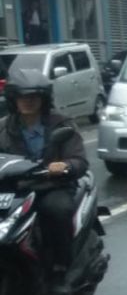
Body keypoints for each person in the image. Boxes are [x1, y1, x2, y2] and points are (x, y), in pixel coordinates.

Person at [0, 70, 88, 279]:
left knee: (55, 211)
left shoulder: (61, 124)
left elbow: (79, 160)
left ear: (43, 99)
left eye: (33, 97)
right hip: (15, 187)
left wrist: (63, 166)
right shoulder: (4, 127)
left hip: (52, 186)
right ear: (14, 99)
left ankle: (61, 265)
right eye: (22, 97)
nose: (27, 102)